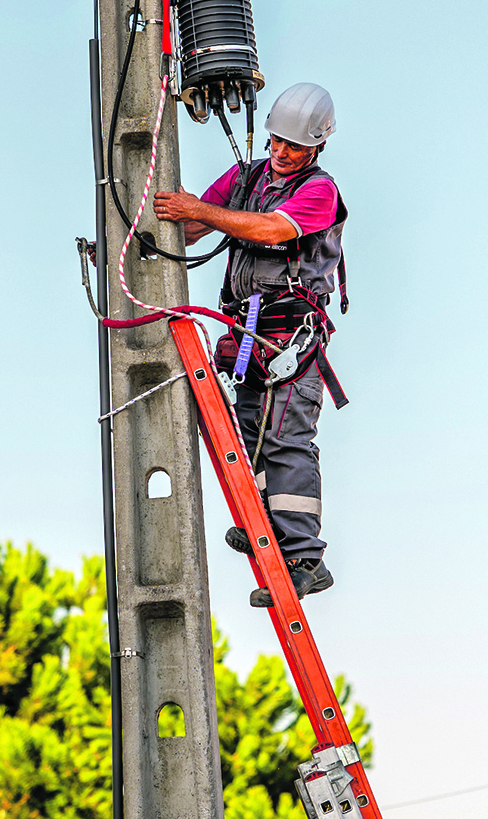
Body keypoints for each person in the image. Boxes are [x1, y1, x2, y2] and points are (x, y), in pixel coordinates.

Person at [153, 82, 346, 607]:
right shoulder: (248, 177)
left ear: (317, 146)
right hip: (247, 335)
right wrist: (132, 235)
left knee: (285, 439)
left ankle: (305, 558)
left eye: (294, 147)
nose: (281, 153)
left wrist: (204, 211)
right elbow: (191, 225)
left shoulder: (319, 191)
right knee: (248, 434)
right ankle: (264, 524)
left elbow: (269, 230)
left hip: (289, 336)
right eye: (276, 141)